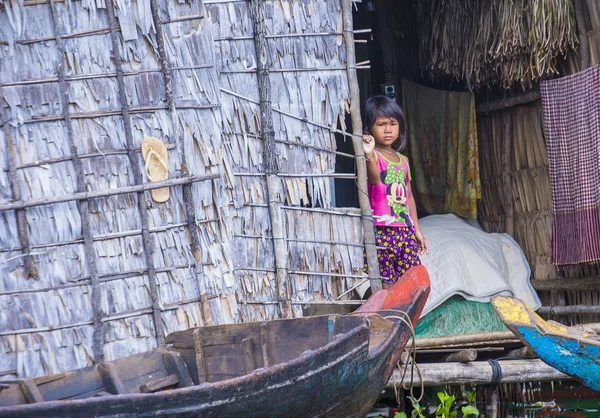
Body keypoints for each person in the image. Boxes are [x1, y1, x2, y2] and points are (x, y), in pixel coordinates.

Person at [361, 95, 428, 289]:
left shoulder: (404, 160)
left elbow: (408, 197)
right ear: (369, 129)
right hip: (381, 230)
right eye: (381, 124)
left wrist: (416, 230)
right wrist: (368, 153)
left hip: (404, 231)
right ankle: (389, 318)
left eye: (393, 124)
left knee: (412, 282)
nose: (388, 130)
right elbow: (374, 178)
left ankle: (406, 318)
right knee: (387, 285)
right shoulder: (372, 156)